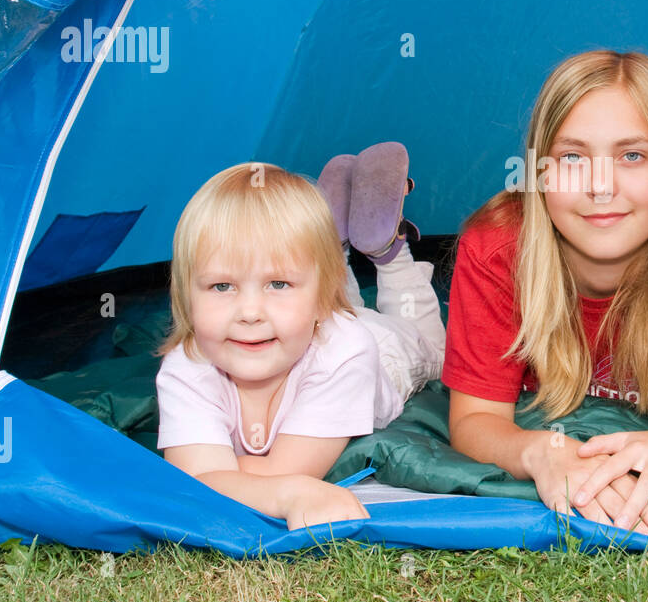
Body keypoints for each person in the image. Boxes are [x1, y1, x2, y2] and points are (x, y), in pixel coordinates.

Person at [443, 50, 648, 540]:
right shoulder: (495, 248)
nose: (599, 187)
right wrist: (542, 454)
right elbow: (476, 420)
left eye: (631, 155)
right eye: (572, 157)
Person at [154, 147, 444, 530]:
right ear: (186, 296)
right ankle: (332, 248)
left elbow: (273, 474)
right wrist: (220, 478)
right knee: (325, 298)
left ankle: (388, 249)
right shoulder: (186, 366)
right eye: (222, 286)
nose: (250, 312)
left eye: (278, 283)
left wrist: (220, 471)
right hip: (308, 319)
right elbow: (202, 484)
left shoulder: (346, 352)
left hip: (383, 351)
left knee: (432, 349)